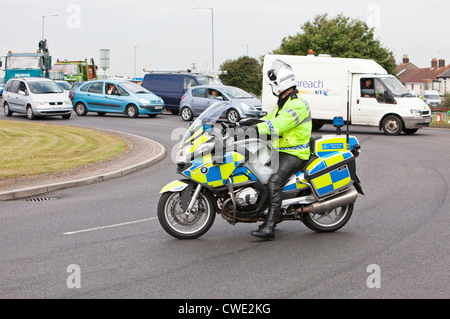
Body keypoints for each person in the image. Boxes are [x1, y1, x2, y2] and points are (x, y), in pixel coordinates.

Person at [247, 60, 312, 240]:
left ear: (280, 85)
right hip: (281, 150)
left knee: (274, 182)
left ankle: (270, 227)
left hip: (294, 153)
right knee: (257, 172)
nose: (272, 88)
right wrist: (249, 122)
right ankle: (264, 212)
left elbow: (278, 125)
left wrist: (254, 130)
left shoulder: (297, 104)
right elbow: (269, 118)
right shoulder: (283, 102)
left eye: (273, 84)